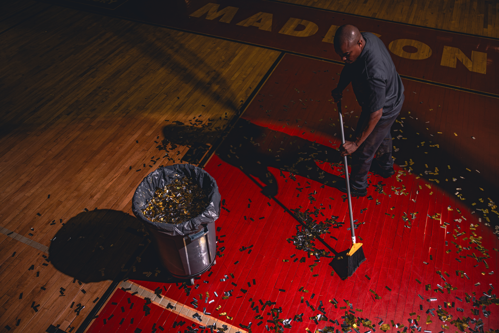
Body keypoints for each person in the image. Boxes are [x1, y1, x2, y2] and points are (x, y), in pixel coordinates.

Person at [331, 24, 404, 197]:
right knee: (381, 135)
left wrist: (356, 143)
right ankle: (386, 168)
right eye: (340, 54)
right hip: (393, 95)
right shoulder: (366, 38)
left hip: (383, 108)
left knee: (364, 148)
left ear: (360, 43)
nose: (343, 58)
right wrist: (340, 87)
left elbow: (376, 114)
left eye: (346, 54)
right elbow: (350, 67)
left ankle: (358, 186)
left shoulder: (373, 74)